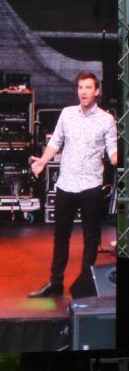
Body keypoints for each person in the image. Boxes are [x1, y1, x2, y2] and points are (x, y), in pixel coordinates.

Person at [28, 71, 117, 298]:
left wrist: (117, 158)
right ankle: (55, 283)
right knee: (61, 236)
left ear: (96, 91)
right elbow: (56, 142)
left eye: (88, 87)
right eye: (80, 87)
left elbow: (112, 151)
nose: (83, 92)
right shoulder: (67, 114)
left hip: (91, 186)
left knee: (91, 238)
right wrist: (42, 162)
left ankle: (85, 284)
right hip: (66, 184)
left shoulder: (107, 120)